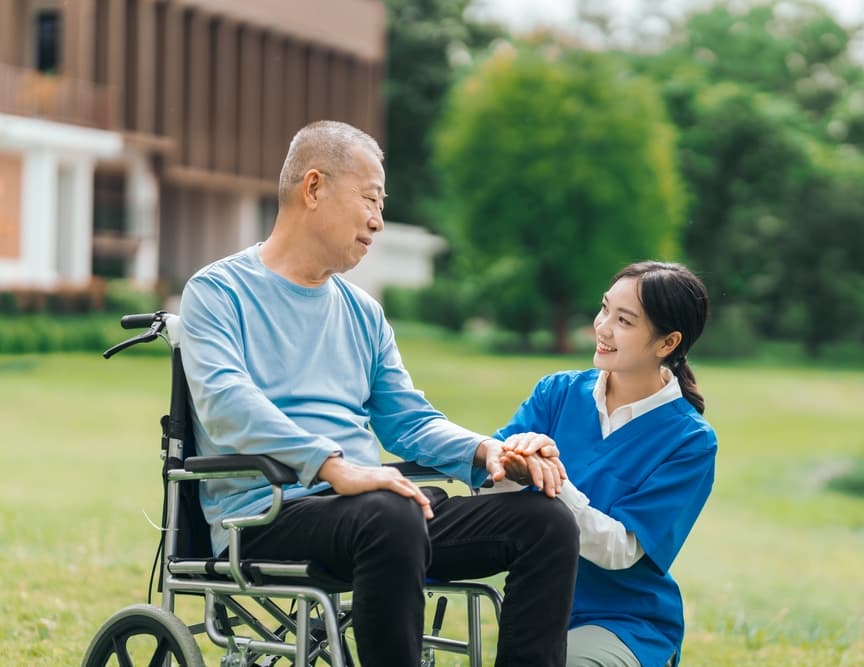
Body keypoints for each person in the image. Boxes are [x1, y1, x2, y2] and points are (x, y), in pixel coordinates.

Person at [178, 120, 579, 666]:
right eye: (370, 198)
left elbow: (407, 420)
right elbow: (226, 404)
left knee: (546, 523)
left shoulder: (362, 312)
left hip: (380, 514)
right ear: (313, 188)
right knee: (390, 513)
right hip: (269, 516)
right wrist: (331, 465)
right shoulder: (217, 291)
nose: (378, 220)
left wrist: (488, 452)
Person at [493, 261, 718, 667]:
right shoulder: (556, 393)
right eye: (604, 309)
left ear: (667, 343)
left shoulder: (690, 442)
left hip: (623, 621)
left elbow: (620, 549)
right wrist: (509, 464)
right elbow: (488, 481)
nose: (602, 327)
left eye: (624, 321)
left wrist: (551, 477)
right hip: (535, 608)